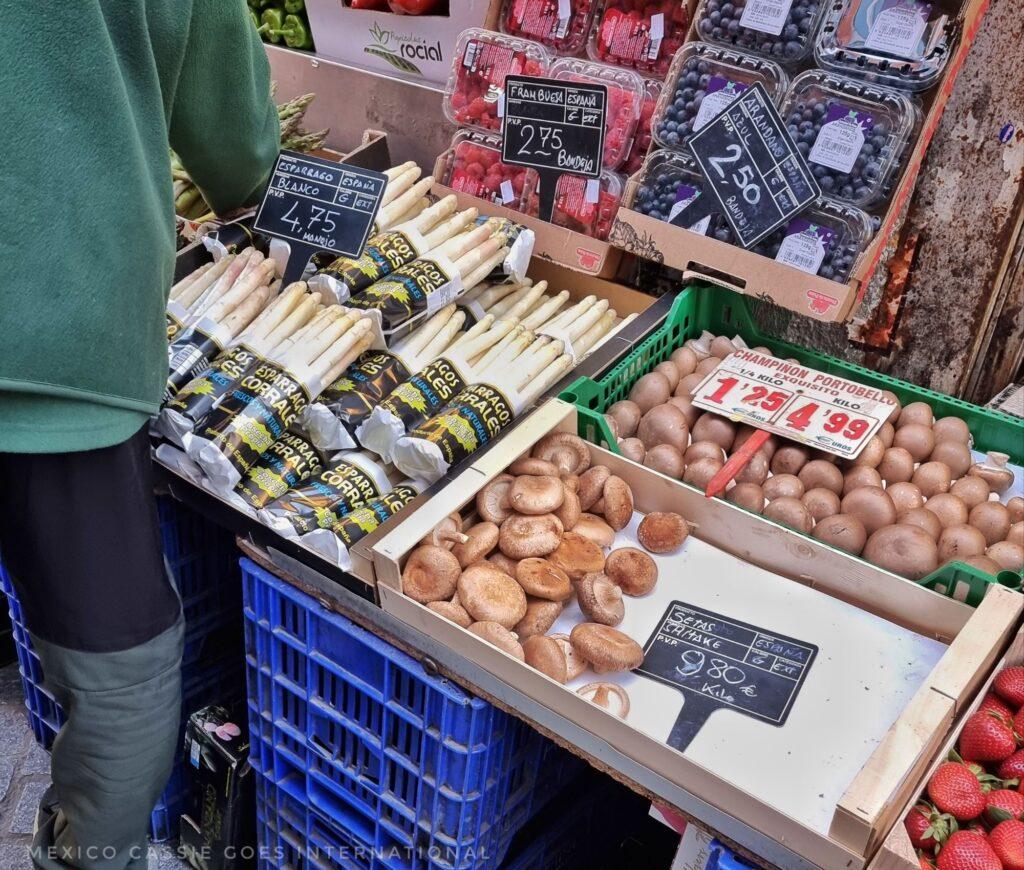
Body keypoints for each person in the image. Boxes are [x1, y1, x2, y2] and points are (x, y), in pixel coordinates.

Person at [0, 1, 279, 866]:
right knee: (121, 671)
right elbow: (237, 148)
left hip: (56, 351)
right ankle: (87, 855)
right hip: (62, 344)